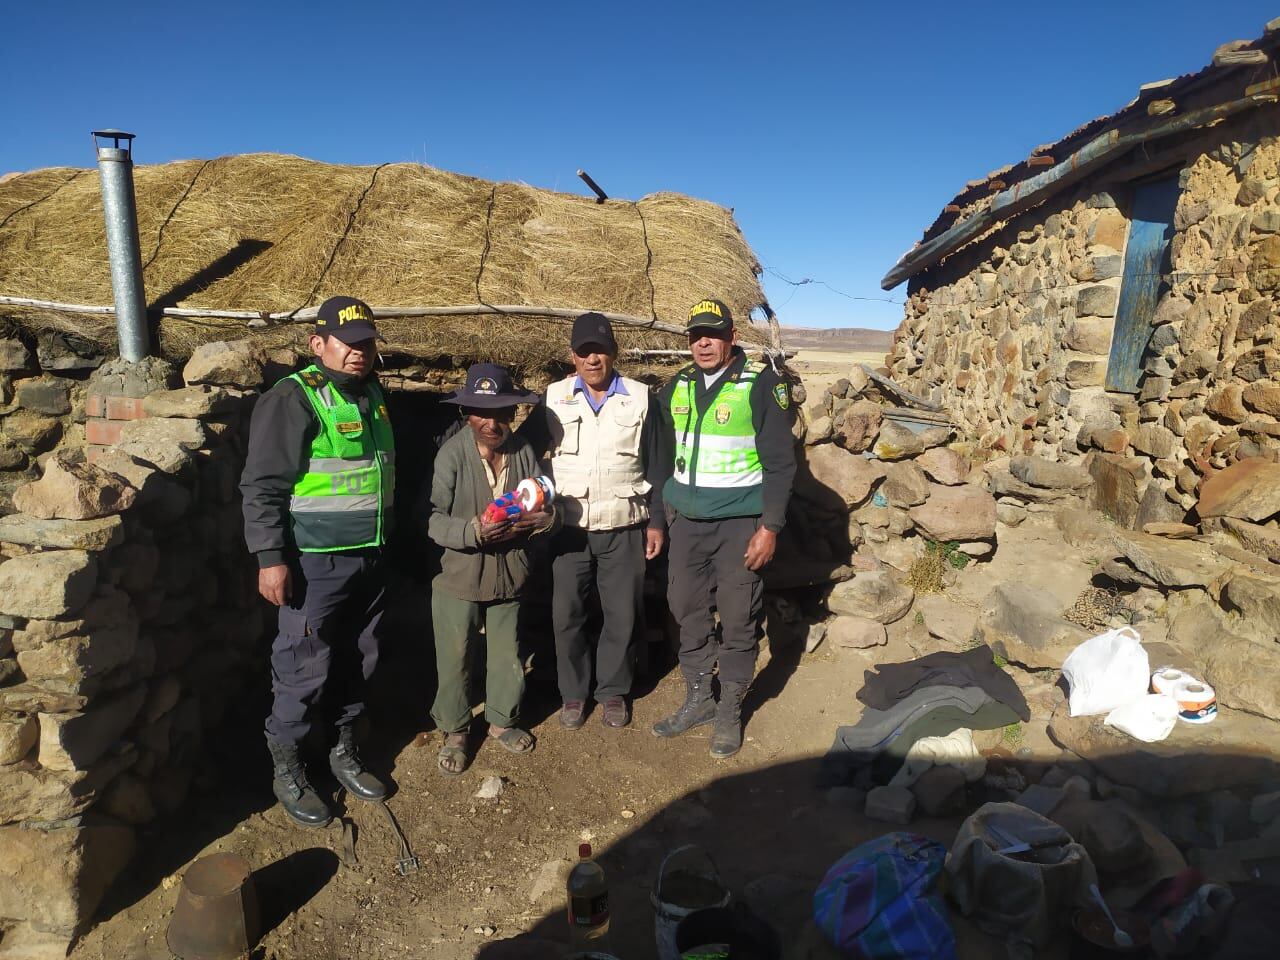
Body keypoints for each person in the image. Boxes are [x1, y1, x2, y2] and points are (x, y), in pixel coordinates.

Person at [241, 295, 393, 827]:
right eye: (348, 344)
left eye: (366, 343)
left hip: (368, 558)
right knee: (303, 665)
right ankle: (289, 769)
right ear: (318, 345)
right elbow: (262, 485)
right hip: (314, 564)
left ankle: (342, 751)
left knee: (360, 657)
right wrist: (270, 558)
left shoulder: (373, 393)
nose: (359, 352)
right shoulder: (295, 399)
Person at [652, 298, 797, 758]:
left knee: (738, 617)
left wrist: (769, 527)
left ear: (732, 336)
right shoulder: (677, 386)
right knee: (684, 606)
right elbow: (659, 461)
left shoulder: (761, 385)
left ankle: (730, 707)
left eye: (713, 334)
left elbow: (780, 464)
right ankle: (698, 697)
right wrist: (658, 518)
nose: (704, 343)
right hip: (687, 524)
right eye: (696, 336)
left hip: (739, 524)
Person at [519, 312, 670, 730]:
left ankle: (613, 692)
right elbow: (526, 453)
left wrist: (656, 522)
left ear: (613, 353)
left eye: (600, 351)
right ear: (573, 356)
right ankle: (573, 694)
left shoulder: (641, 398)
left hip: (625, 525)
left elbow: (658, 466)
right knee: (567, 614)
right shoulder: (554, 398)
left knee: (621, 614)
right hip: (568, 530)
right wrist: (532, 498)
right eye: (584, 352)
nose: (592, 359)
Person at [428, 363, 557, 776]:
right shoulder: (452, 454)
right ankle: (455, 728)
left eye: (500, 413)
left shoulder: (522, 452)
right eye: (481, 412)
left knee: (507, 654)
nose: (491, 421)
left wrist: (545, 520)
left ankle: (502, 719)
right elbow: (432, 519)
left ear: (512, 414)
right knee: (456, 654)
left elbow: (541, 500)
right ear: (467, 413)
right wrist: (473, 530)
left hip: (510, 574)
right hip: (460, 576)